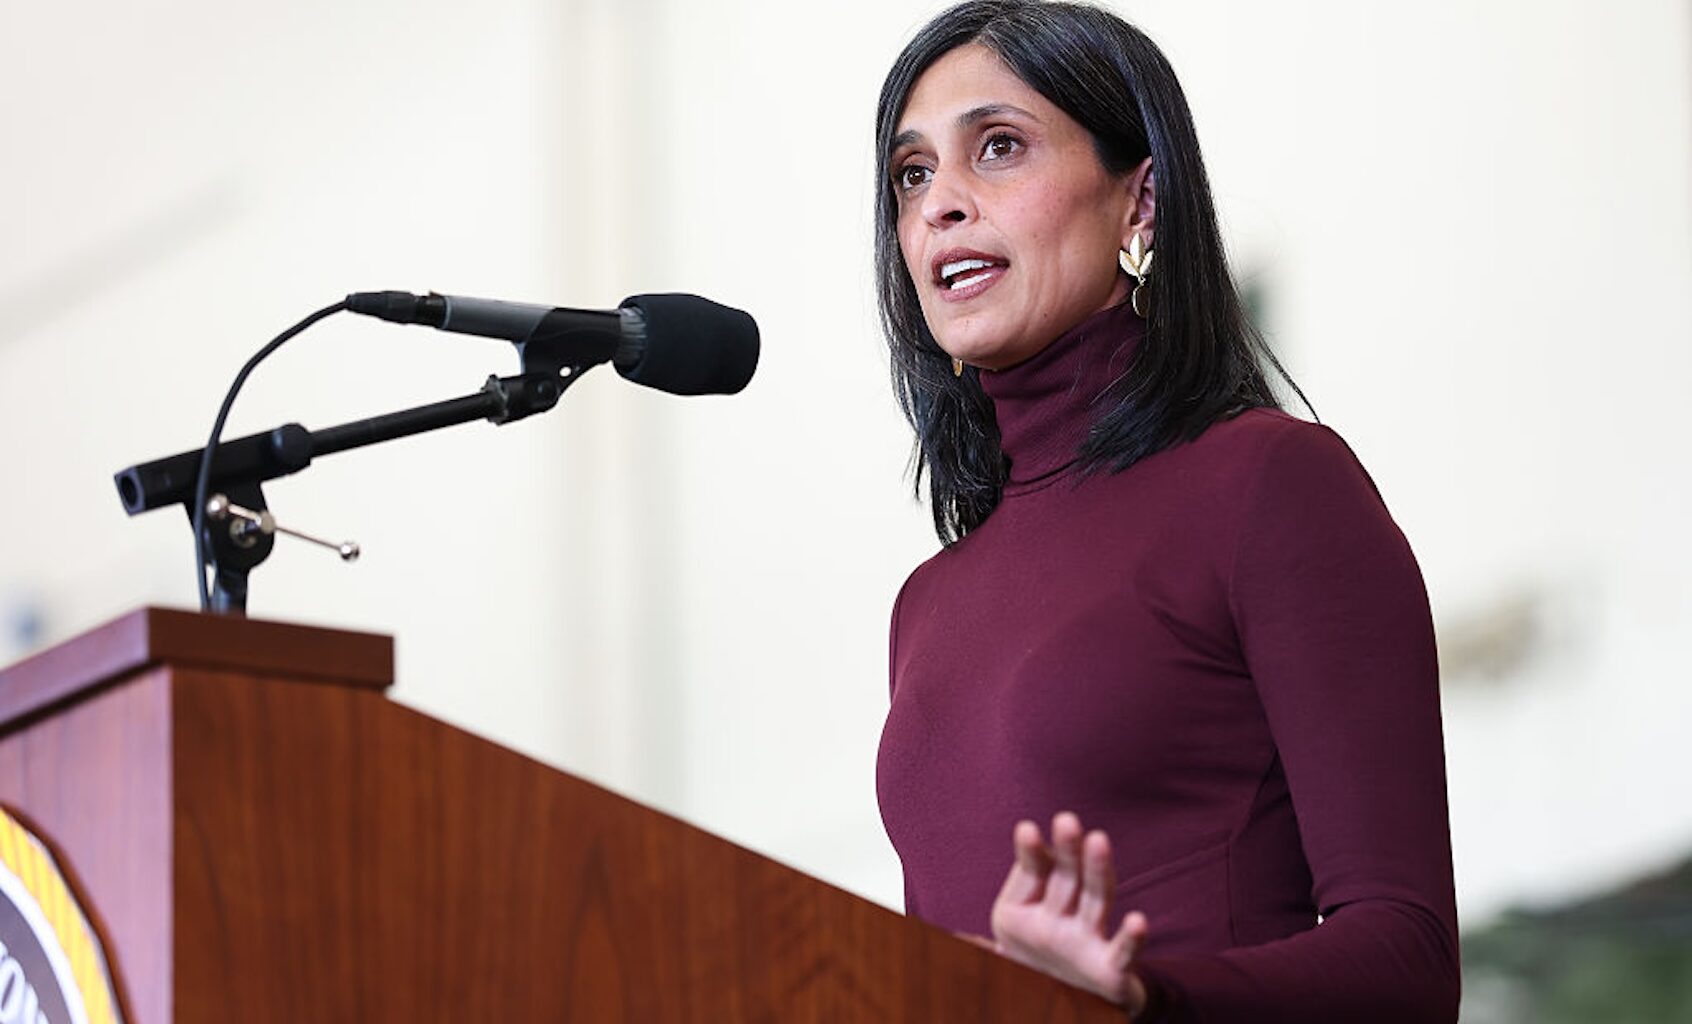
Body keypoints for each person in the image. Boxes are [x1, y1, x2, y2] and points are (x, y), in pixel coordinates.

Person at [870, 2, 1460, 1021]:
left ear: (1140, 201)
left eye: (998, 147)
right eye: (912, 174)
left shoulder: (1270, 486)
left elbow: (1408, 960)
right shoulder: (925, 604)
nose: (941, 206)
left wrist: (1138, 998)